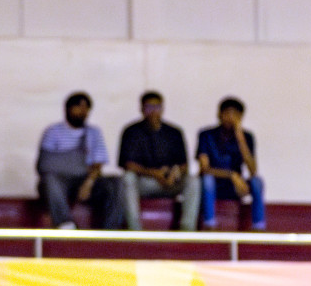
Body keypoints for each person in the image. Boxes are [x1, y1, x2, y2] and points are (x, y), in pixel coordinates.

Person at [36, 91, 122, 230]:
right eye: (79, 107)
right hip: (59, 183)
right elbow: (44, 165)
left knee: (116, 183)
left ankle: (111, 229)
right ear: (68, 109)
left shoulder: (94, 132)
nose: (83, 111)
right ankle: (66, 223)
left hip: (85, 181)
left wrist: (89, 182)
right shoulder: (53, 132)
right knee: (49, 180)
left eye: (86, 108)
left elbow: (98, 163)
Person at [118, 91, 199, 231]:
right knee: (127, 178)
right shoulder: (131, 131)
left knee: (193, 181)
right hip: (145, 183)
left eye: (157, 107)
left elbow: (184, 165)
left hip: (170, 183)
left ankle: (187, 229)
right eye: (149, 107)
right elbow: (128, 164)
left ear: (162, 109)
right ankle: (135, 229)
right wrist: (155, 174)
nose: (154, 112)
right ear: (142, 109)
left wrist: (174, 174)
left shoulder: (174, 132)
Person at [197, 97, 265, 230]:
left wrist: (240, 137)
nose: (230, 117)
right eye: (227, 113)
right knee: (207, 180)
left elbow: (253, 170)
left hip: (236, 185)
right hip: (214, 184)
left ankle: (259, 226)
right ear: (219, 114)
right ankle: (209, 224)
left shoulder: (247, 137)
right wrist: (231, 175)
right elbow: (204, 168)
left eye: (235, 114)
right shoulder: (206, 135)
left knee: (257, 182)